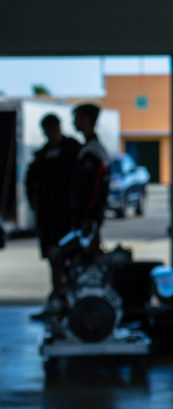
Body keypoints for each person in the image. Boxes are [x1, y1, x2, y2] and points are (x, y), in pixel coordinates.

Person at [25, 113, 82, 311]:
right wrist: (33, 200)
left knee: (71, 258)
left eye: (54, 128)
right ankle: (58, 296)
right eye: (48, 130)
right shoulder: (42, 155)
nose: (52, 133)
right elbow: (30, 180)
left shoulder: (72, 149)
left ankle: (71, 297)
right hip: (48, 217)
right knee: (53, 257)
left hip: (68, 216)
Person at [69, 103, 110, 251]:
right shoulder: (88, 148)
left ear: (87, 120)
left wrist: (88, 216)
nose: (74, 122)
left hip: (88, 217)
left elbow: (95, 189)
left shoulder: (93, 152)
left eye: (77, 118)